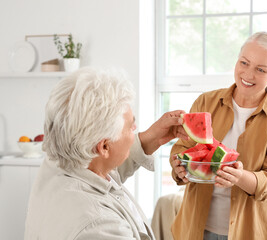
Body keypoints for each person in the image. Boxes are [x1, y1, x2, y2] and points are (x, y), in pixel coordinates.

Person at [24, 67, 188, 240]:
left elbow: (99, 165)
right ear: (103, 147)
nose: (135, 129)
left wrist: (150, 139)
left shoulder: (59, 159)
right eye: (130, 126)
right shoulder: (100, 227)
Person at [170, 32, 267, 240]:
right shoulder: (206, 102)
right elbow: (182, 149)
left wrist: (241, 177)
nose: (248, 74)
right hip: (195, 228)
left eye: (260, 69)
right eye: (244, 63)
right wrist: (178, 166)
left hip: (250, 232)